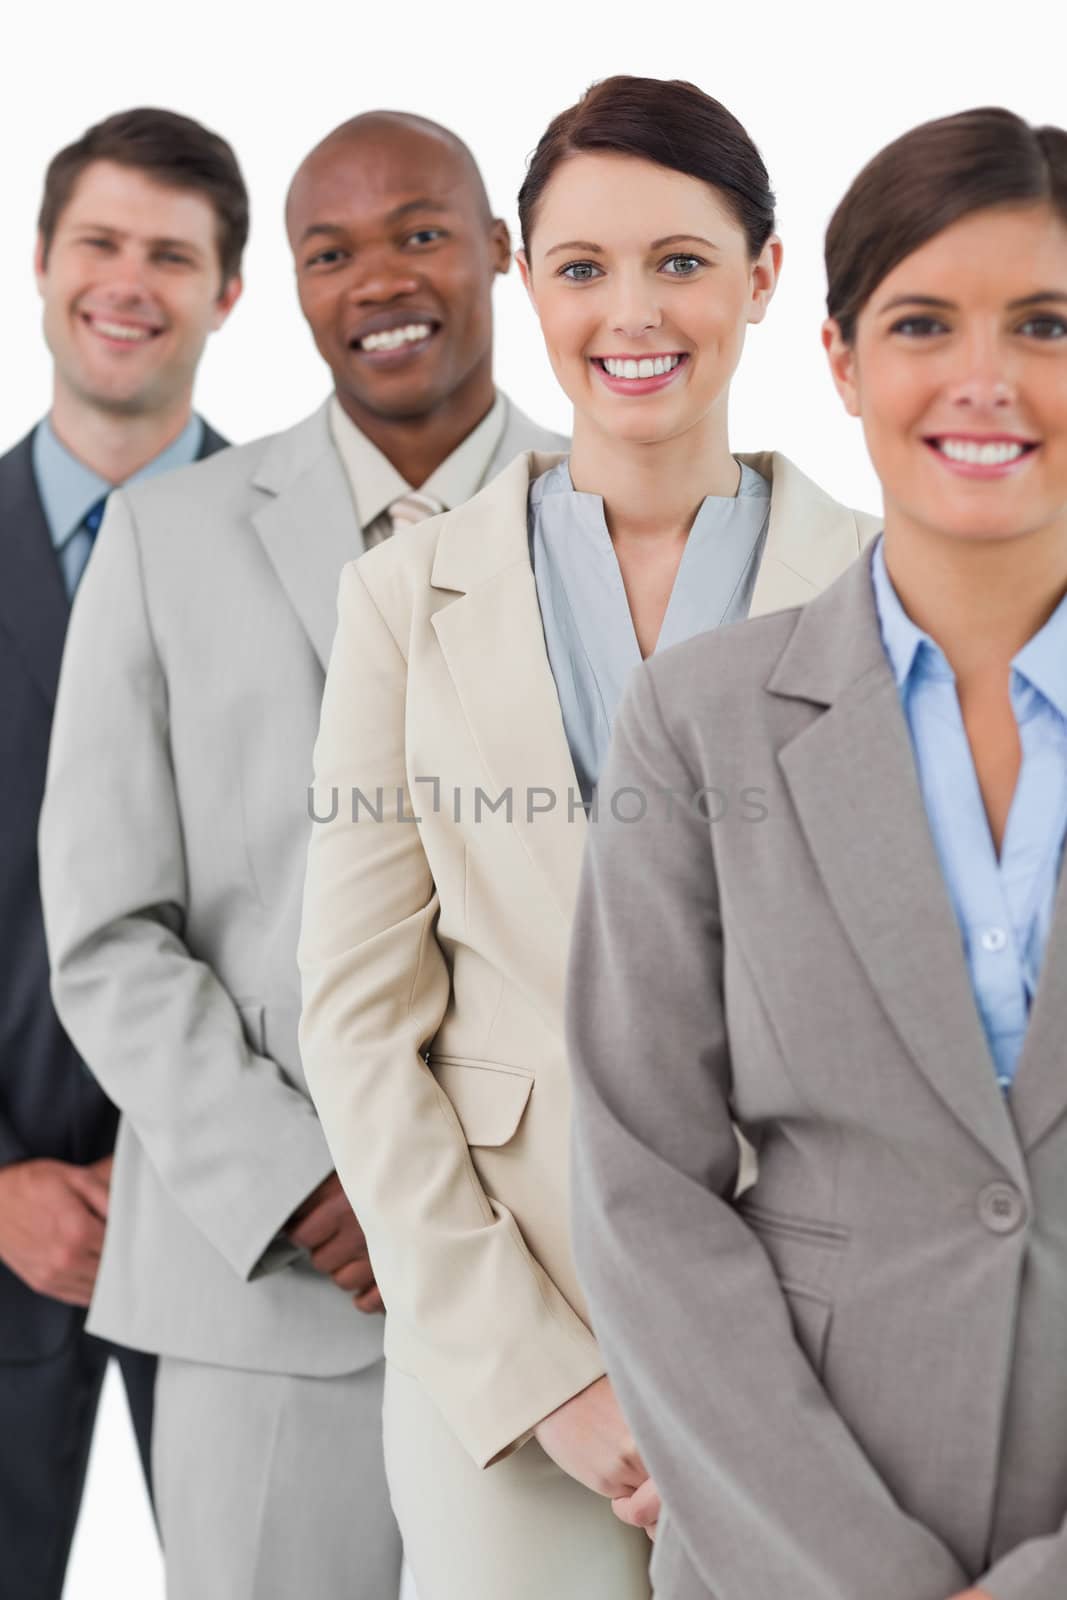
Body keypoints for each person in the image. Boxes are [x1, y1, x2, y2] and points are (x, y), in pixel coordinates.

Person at [296, 75, 877, 1600]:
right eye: (580, 268)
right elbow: (360, 1025)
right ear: (522, 280)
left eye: (681, 262)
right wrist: (538, 1373)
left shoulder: (888, 596)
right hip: (508, 1335)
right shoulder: (407, 602)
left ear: (762, 277)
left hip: (826, 1349)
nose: (631, 311)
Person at [39, 110, 563, 1600]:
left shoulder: (613, 514)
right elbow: (106, 928)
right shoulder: (166, 539)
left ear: (499, 255)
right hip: (273, 1302)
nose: (379, 279)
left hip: (565, 1285)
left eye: (420, 232)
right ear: (293, 284)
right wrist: (305, 1186)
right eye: (332, 250)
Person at [565, 104, 1067, 1600]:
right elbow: (640, 1185)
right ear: (843, 361)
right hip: (786, 1543)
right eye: (924, 321)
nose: (984, 379)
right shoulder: (702, 717)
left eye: (1046, 323)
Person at [0, 106, 243, 1600]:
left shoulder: (336, 557)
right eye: (101, 241)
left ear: (230, 294)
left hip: (252, 1235)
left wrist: (250, 1172)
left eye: (174, 252)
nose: (130, 280)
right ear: (39, 265)